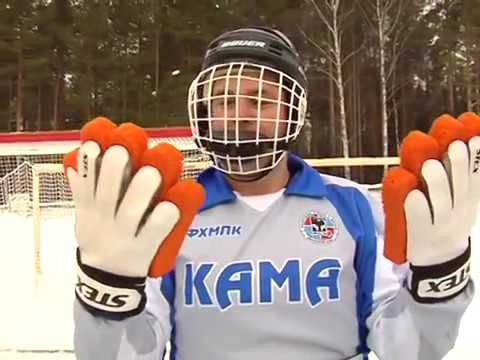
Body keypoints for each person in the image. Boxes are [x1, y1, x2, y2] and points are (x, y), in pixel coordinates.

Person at [66, 27, 477, 360]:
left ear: (291, 111)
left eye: (260, 100)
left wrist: (437, 284)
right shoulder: (167, 215)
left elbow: (406, 350)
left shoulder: (354, 207)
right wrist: (109, 294)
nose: (240, 114)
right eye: (224, 101)